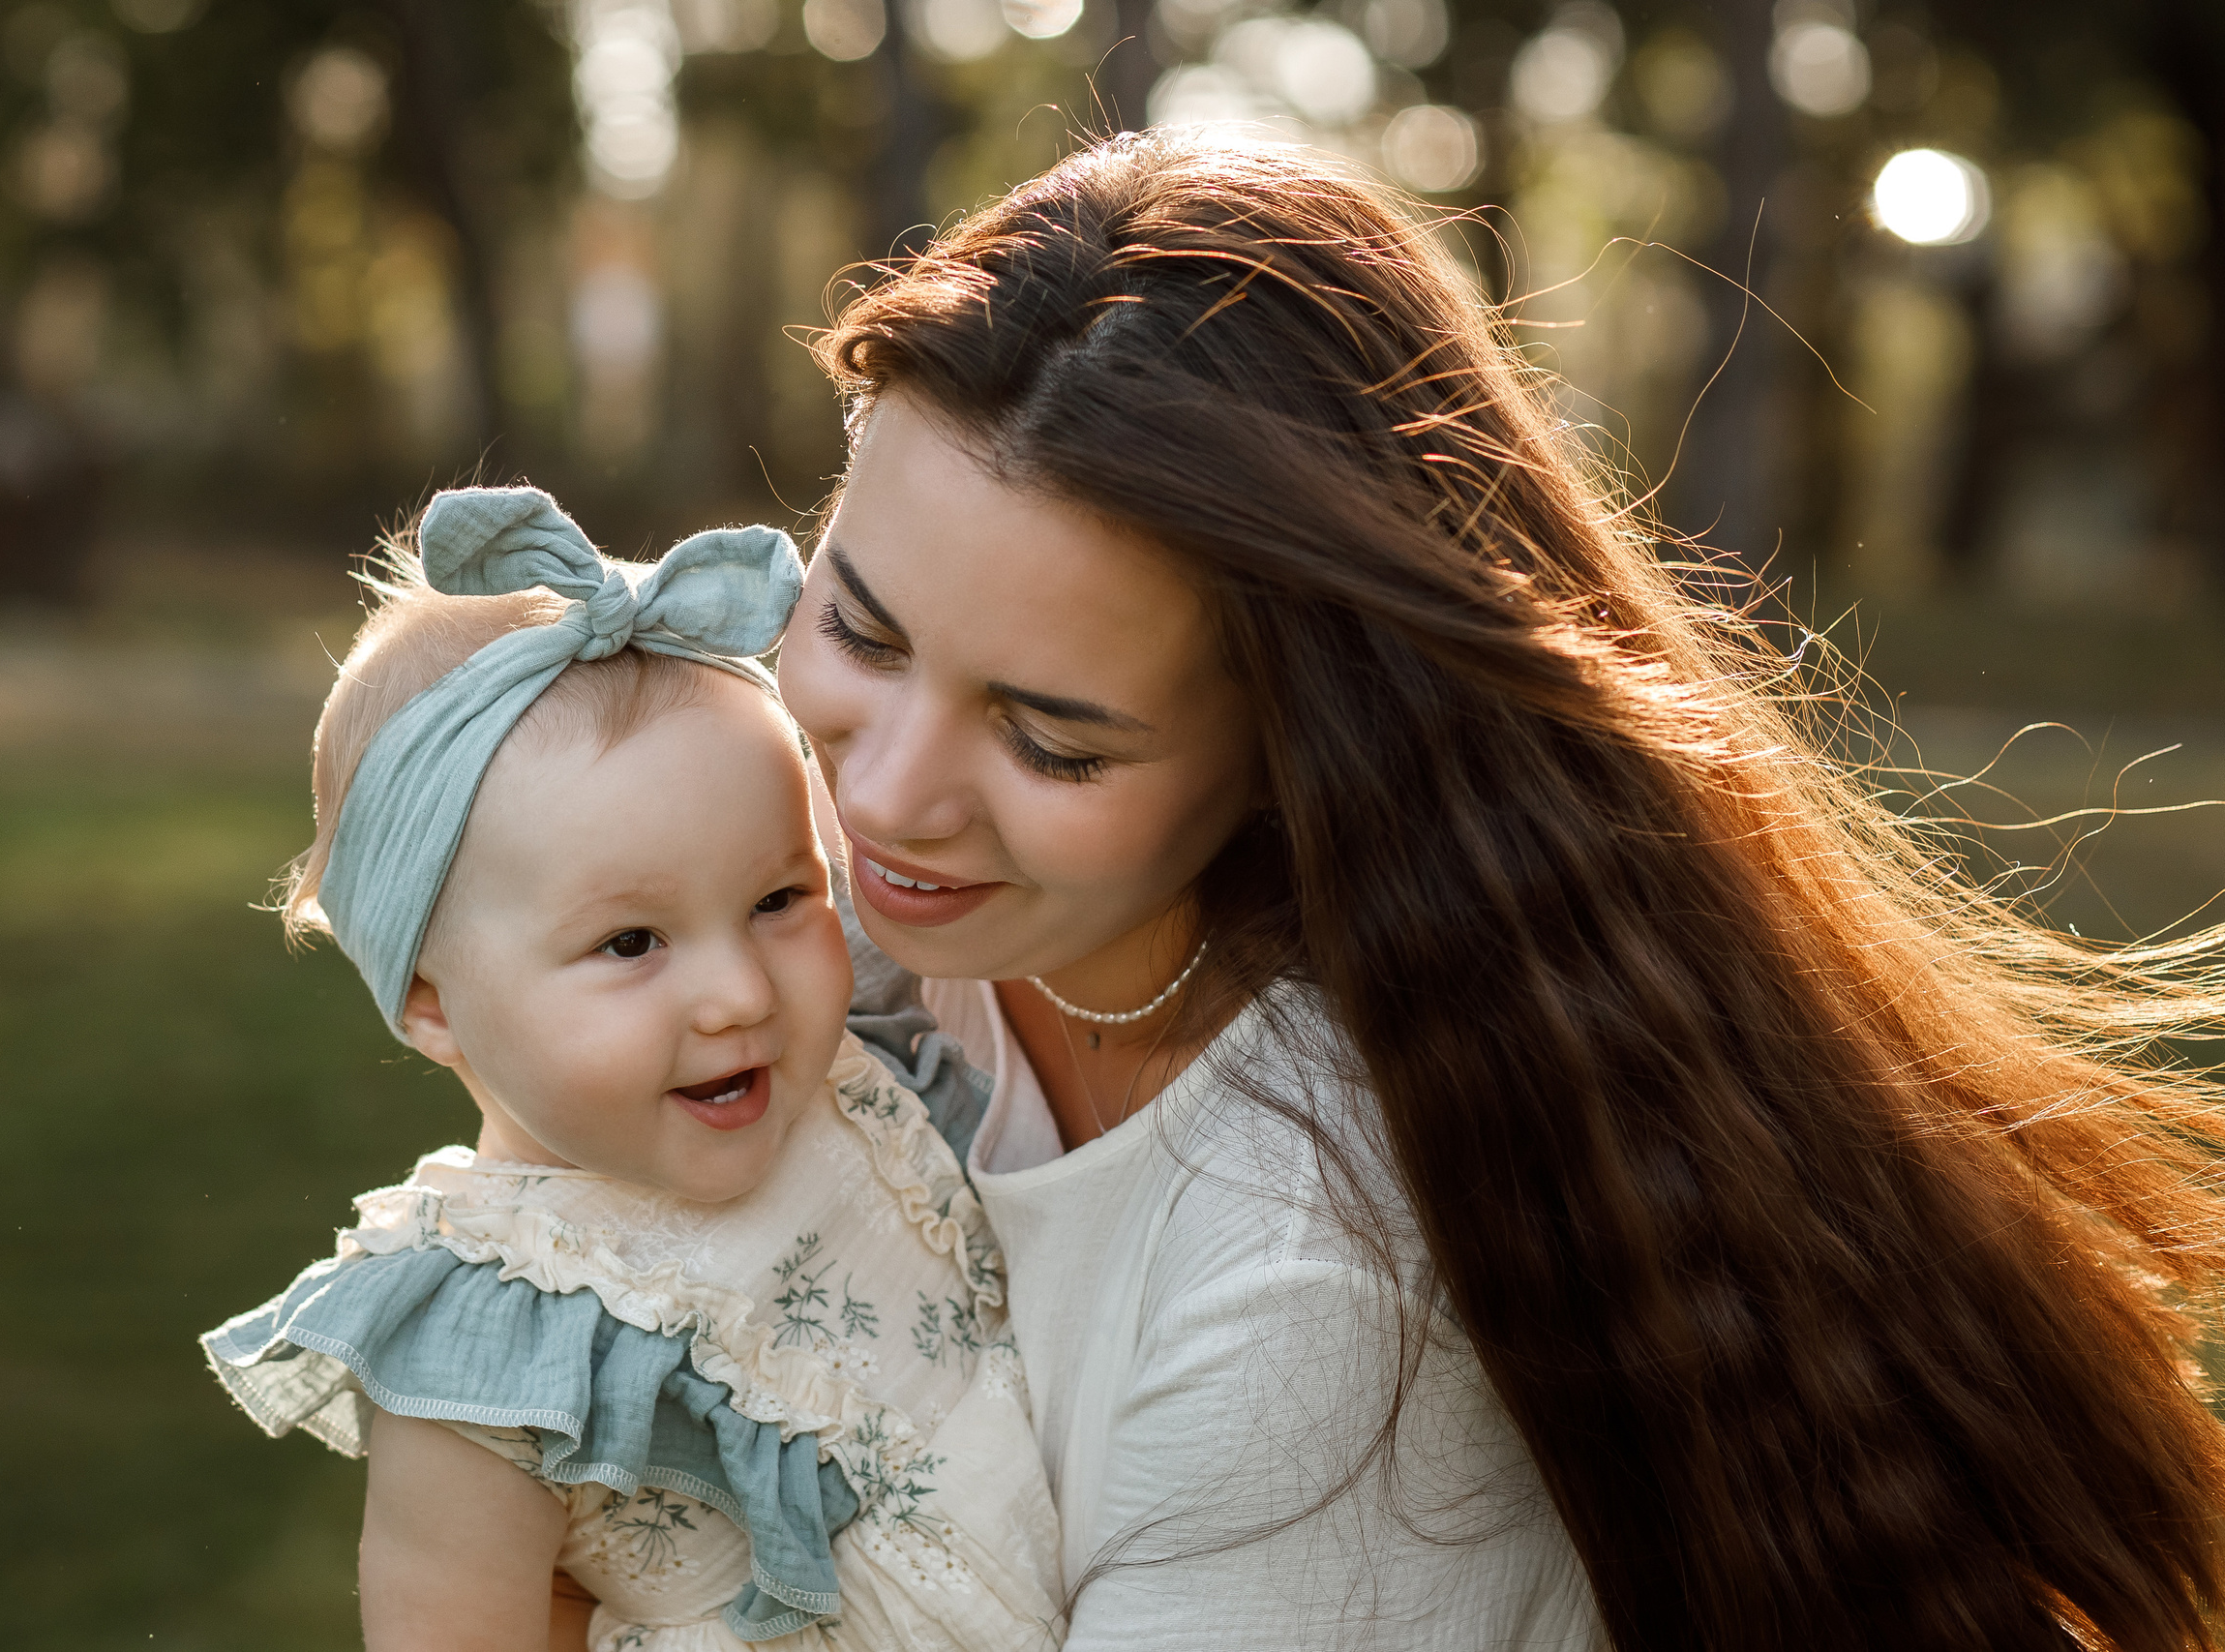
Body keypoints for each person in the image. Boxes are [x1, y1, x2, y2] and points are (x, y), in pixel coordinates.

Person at [773, 132, 2225, 1652]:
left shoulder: (1311, 1283)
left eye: (1049, 739)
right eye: (860, 635)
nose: (877, 796)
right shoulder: (774, 860)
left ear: (1293, 743)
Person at [198, 487, 1062, 1652]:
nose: (740, 994)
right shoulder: (496, 1342)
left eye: (776, 899)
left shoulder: (861, 1076)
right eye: (630, 943)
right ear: (430, 1003)